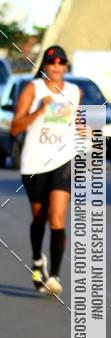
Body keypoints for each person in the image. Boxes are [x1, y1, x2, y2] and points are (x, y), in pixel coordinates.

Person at [11, 45, 81, 297]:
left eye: (61, 62)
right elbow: (15, 128)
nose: (57, 66)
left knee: (58, 216)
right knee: (40, 218)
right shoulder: (33, 89)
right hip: (35, 162)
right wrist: (39, 110)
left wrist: (86, 130)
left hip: (63, 160)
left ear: (66, 66)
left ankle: (55, 276)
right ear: (45, 66)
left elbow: (77, 123)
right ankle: (37, 259)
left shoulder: (74, 91)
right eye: (52, 62)